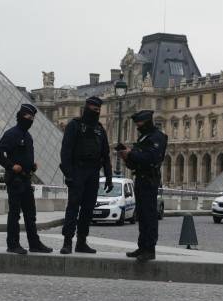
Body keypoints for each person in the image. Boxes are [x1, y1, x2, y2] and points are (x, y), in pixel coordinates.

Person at [0, 103, 53, 255]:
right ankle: (12, 244)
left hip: (26, 179)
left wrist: (32, 166)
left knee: (30, 215)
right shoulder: (12, 134)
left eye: (32, 117)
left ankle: (34, 243)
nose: (30, 119)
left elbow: (24, 157)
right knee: (15, 214)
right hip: (15, 180)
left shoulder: (28, 136)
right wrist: (10, 166)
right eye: (28, 116)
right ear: (20, 116)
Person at [59, 95, 113, 254]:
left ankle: (81, 241)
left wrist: (109, 177)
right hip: (78, 171)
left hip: (93, 173)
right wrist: (68, 174)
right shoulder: (74, 126)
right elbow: (66, 152)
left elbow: (105, 155)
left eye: (98, 110)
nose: (96, 111)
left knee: (88, 209)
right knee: (73, 207)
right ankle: (67, 241)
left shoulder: (99, 129)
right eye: (93, 109)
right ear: (86, 108)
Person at [117, 110, 167, 262]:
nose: (137, 126)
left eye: (139, 123)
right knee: (142, 215)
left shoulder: (158, 137)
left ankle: (149, 249)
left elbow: (151, 158)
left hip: (150, 179)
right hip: (140, 178)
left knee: (149, 215)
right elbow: (135, 163)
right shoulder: (144, 137)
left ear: (147, 121)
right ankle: (142, 246)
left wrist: (131, 154)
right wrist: (126, 157)